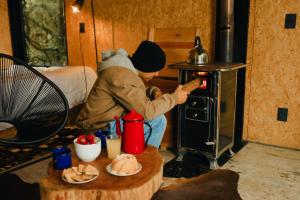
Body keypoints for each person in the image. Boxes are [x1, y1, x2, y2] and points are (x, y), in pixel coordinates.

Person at [75, 41, 189, 148]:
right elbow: (146, 112)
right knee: (157, 121)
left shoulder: (123, 69)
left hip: (107, 121)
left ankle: (136, 154)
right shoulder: (121, 76)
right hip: (98, 128)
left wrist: (154, 91)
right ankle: (145, 160)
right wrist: (174, 98)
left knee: (153, 118)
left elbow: (133, 93)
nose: (157, 74)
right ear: (146, 66)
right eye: (156, 70)